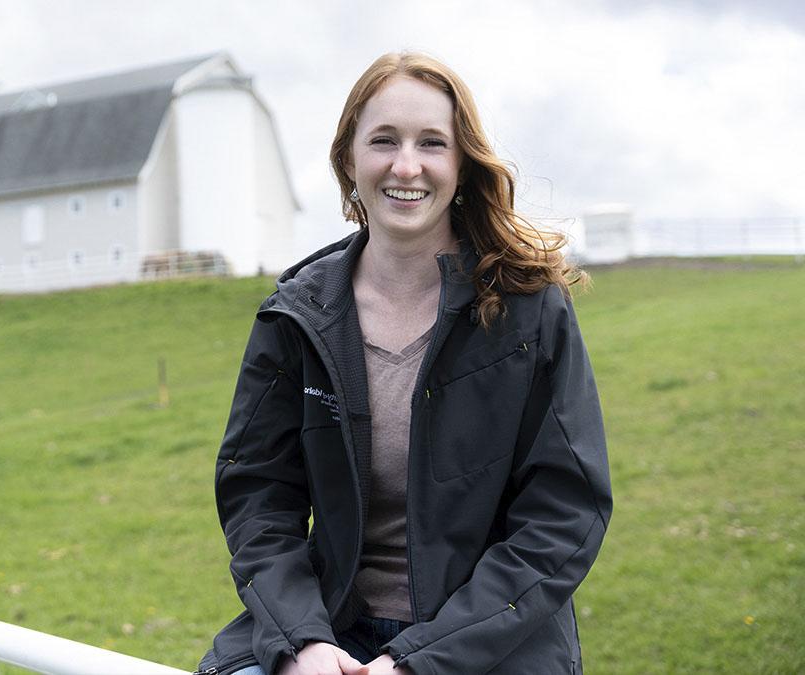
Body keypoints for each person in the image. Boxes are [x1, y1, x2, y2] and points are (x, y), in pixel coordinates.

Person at [195, 52, 612, 675]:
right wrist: (300, 642)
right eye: (383, 140)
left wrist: (418, 660)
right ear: (349, 160)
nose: (406, 165)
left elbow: (563, 514)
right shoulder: (296, 315)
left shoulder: (531, 308)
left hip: (489, 643)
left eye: (432, 143)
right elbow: (259, 495)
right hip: (329, 628)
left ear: (462, 164)